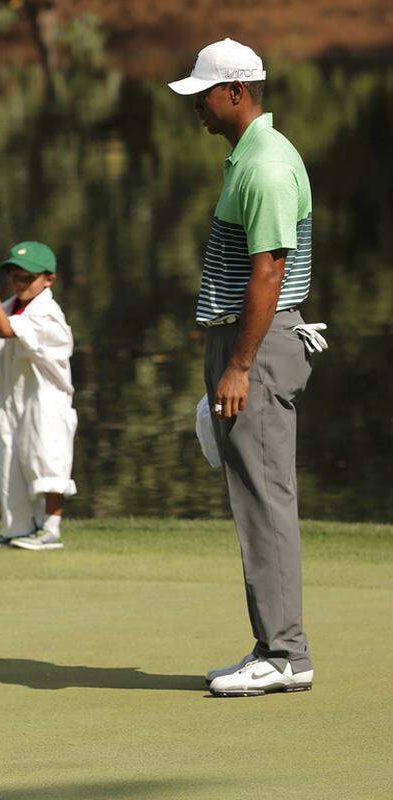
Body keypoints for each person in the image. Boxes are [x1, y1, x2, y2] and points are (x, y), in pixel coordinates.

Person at [169, 39, 316, 696]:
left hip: (255, 351)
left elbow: (270, 270)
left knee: (264, 497)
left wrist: (238, 365)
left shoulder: (266, 168)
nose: (196, 106)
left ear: (236, 92)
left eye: (203, 93)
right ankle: (275, 647)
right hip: (244, 346)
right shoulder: (249, 159)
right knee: (258, 495)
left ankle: (284, 654)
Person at [0, 240, 77, 551]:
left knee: (46, 464)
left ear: (48, 279)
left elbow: (9, 331)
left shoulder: (48, 313)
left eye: (27, 278)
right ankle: (16, 528)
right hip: (12, 401)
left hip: (46, 402)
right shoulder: (12, 306)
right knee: (10, 462)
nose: (19, 283)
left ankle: (49, 530)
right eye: (15, 276)